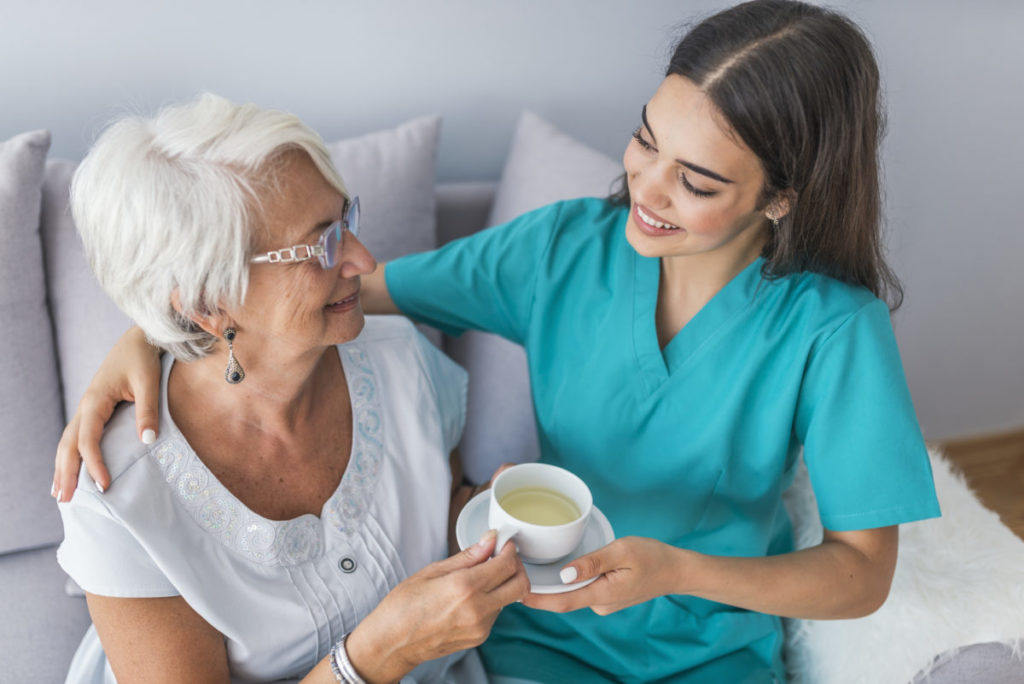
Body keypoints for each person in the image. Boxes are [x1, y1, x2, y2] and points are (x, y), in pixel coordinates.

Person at [54, 1, 942, 682]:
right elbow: (338, 292)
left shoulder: (833, 329)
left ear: (780, 197)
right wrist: (156, 332)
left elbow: (862, 575)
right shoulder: (560, 252)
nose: (646, 186)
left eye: (697, 180)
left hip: (708, 651)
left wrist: (678, 571)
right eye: (644, 139)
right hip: (536, 634)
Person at [53, 93, 529, 684]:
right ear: (207, 301)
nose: (361, 258)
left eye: (346, 220)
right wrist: (379, 655)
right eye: (321, 244)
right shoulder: (115, 491)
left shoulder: (400, 357)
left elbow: (438, 508)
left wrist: (483, 519)